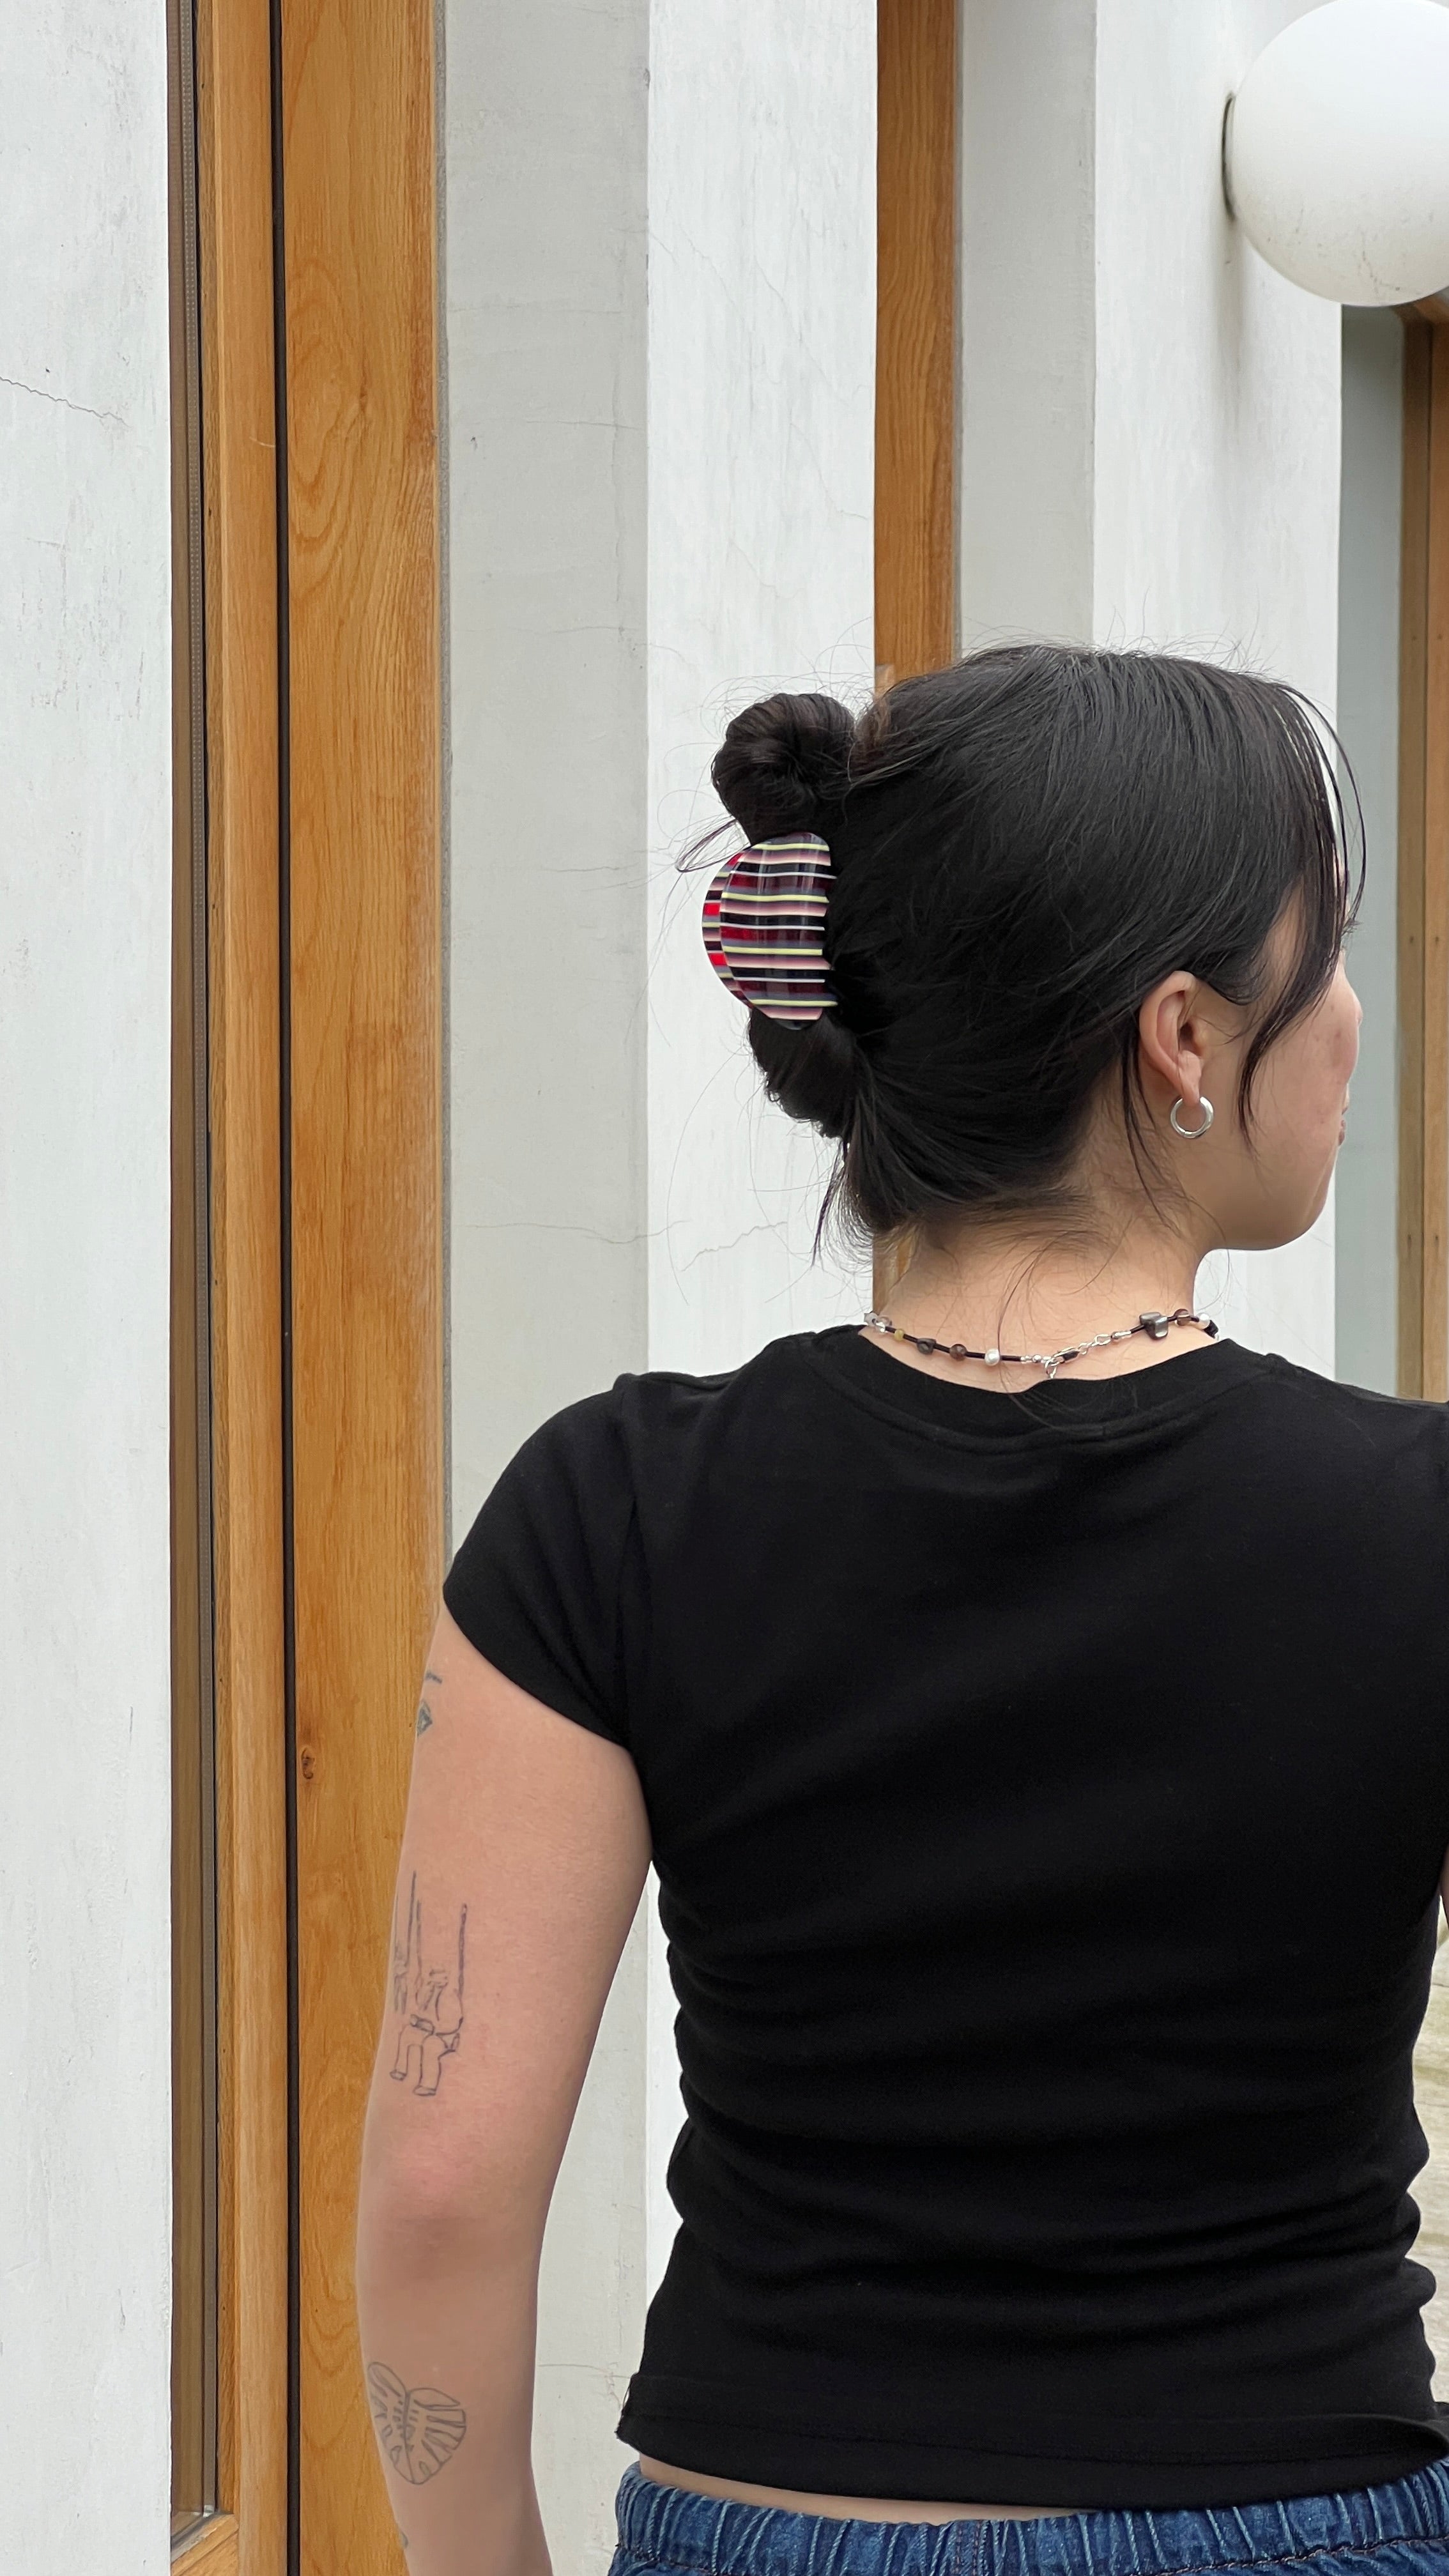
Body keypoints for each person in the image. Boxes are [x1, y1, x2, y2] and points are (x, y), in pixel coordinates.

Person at [355, 645, 1449, 2576]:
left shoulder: (608, 1511)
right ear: (1184, 1037)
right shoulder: (1413, 1523)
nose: (1355, 1017)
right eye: (1326, 954)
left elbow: (442, 2194)